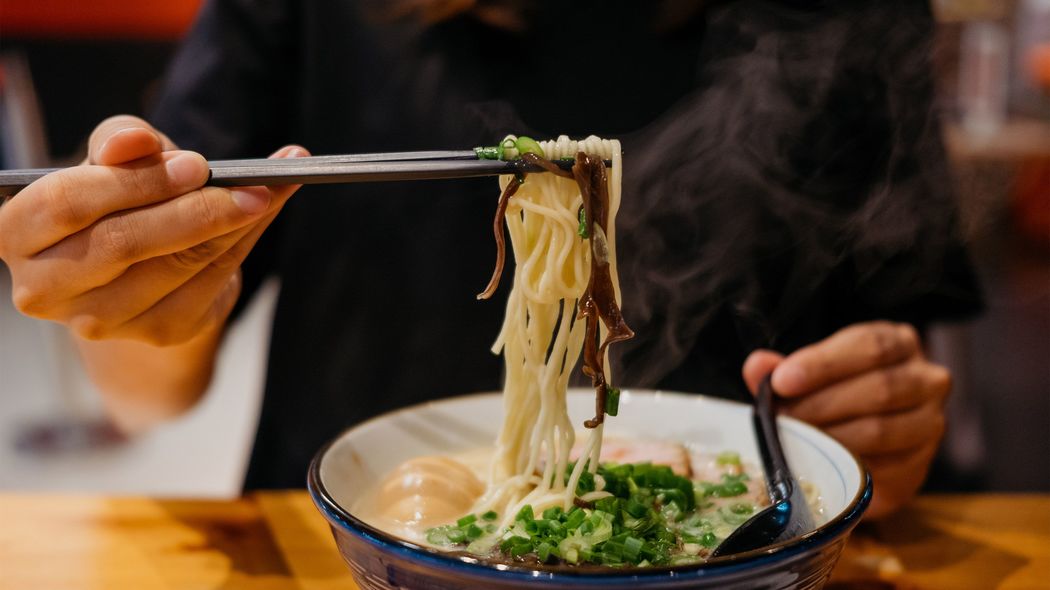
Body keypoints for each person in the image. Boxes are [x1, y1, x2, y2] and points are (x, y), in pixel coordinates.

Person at [0, 0, 980, 519]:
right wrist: (127, 302)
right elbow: (146, 389)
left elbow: (897, 362)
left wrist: (878, 431)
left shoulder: (847, 13)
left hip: (735, 544)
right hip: (354, 542)